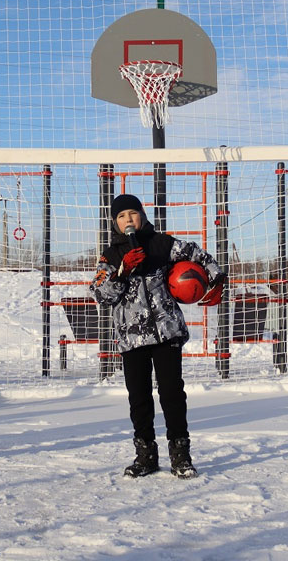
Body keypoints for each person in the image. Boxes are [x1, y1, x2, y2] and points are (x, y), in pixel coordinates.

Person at [91, 193, 224, 478]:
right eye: (122, 216)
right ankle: (146, 455)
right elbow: (100, 294)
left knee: (172, 393)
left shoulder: (162, 244)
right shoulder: (110, 256)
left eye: (133, 213)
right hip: (132, 339)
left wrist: (216, 278)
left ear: (143, 215)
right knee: (138, 398)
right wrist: (122, 271)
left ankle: (180, 455)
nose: (129, 220)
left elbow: (197, 254)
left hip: (166, 334)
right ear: (114, 223)